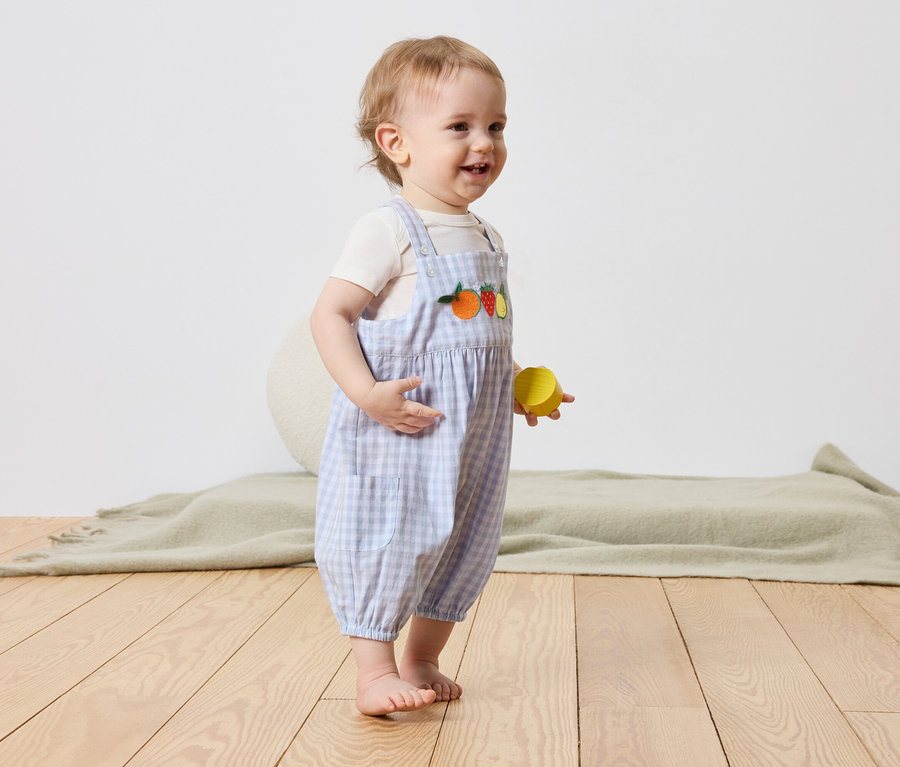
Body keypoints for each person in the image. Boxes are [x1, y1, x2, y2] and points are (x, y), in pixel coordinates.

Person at [310, 35, 573, 717]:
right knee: (389, 537)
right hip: (404, 430)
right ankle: (374, 672)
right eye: (460, 126)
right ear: (395, 143)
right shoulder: (388, 229)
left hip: (472, 439)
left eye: (496, 125)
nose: (484, 142)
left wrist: (515, 384)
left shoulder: (485, 235)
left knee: (461, 540)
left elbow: (474, 339)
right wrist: (367, 394)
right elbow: (331, 314)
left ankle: (422, 658)